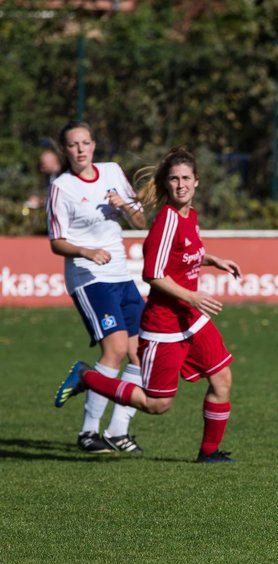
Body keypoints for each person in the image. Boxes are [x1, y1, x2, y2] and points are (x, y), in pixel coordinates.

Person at [54, 146, 241, 464]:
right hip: (165, 325)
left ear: (197, 181)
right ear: (167, 184)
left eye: (186, 178)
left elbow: (185, 255)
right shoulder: (166, 220)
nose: (180, 185)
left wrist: (212, 260)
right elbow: (153, 274)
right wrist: (193, 296)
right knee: (158, 404)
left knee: (222, 378)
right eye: (174, 179)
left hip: (190, 319)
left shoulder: (190, 216)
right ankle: (87, 377)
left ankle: (209, 453)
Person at [46, 121, 148, 453]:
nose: (81, 149)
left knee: (140, 353)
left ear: (93, 145)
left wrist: (124, 205)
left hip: (121, 274)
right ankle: (88, 432)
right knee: (116, 350)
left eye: (86, 142)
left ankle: (118, 431)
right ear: (65, 150)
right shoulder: (62, 187)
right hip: (89, 277)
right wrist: (86, 250)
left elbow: (140, 221)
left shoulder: (112, 171)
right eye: (73, 145)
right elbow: (56, 242)